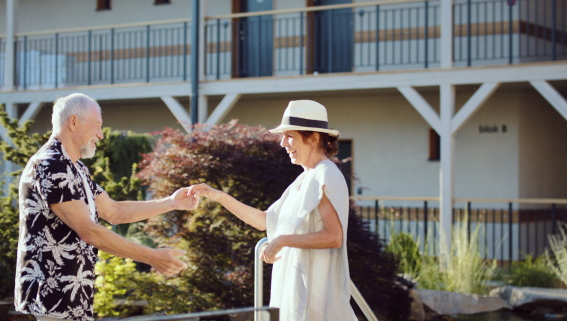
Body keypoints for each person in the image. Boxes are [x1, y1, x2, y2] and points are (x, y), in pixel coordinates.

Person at [14, 93, 200, 321]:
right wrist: (152, 257)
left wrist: (171, 202)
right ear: (73, 122)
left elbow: (113, 211)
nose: (100, 135)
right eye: (96, 126)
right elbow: (89, 231)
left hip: (71, 298)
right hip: (52, 296)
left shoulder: (75, 168)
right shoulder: (51, 165)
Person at [189, 100, 357, 321]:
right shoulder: (303, 178)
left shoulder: (326, 175)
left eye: (290, 136)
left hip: (315, 294)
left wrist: (283, 240)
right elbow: (264, 221)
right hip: (292, 286)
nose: (282, 143)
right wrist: (217, 196)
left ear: (314, 138)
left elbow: (334, 237)